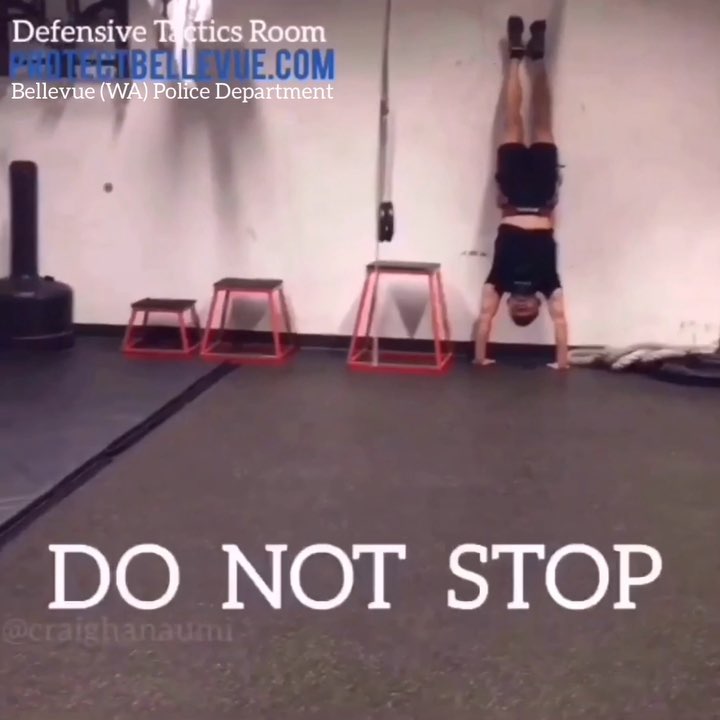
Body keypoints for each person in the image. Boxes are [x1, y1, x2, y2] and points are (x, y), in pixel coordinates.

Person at [474, 16, 569, 369]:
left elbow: (485, 319)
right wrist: (562, 362)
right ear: (539, 306)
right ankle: (538, 60)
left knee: (512, 121)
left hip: (513, 196)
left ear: (510, 306)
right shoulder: (549, 283)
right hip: (542, 197)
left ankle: (516, 58)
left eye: (519, 310)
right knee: (543, 121)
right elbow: (561, 322)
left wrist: (481, 358)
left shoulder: (497, 284)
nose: (524, 305)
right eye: (529, 310)